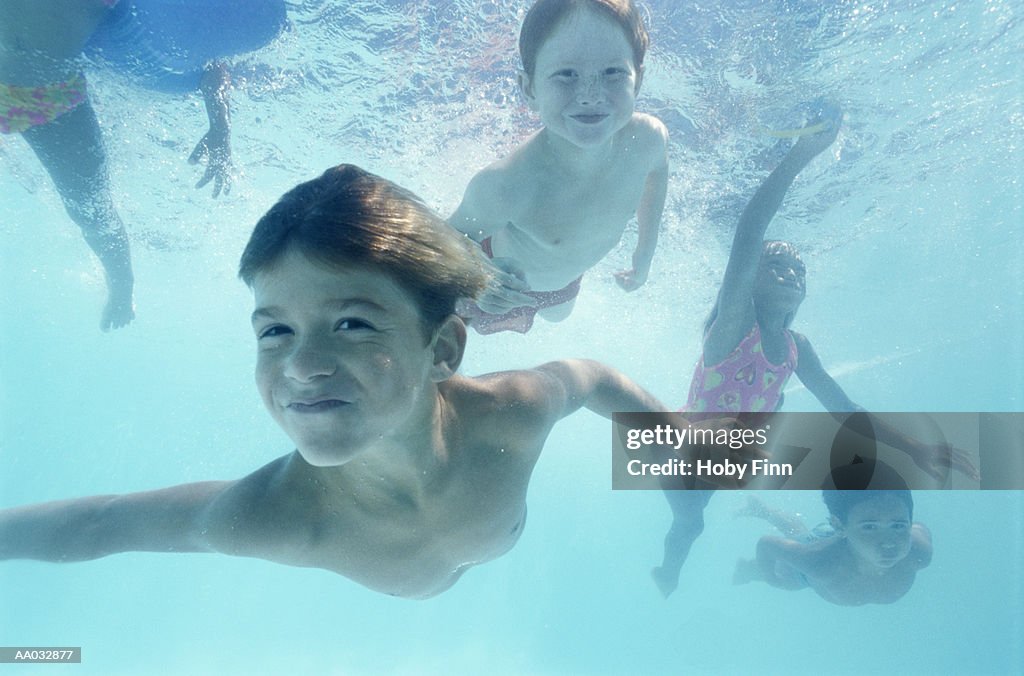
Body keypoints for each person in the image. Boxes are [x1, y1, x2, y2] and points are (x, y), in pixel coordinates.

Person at [0, 165, 731, 600]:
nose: (300, 366)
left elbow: (590, 376)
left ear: (443, 346)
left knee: (808, 465)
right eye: (273, 329)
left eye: (351, 323)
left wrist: (676, 435)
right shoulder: (273, 519)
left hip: (477, 541)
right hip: (444, 578)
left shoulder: (509, 415)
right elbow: (98, 524)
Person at [650, 106, 976, 599]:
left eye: (798, 271)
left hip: (735, 454)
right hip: (686, 453)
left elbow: (847, 411)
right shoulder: (733, 327)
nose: (790, 273)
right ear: (748, 283)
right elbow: (750, 229)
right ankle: (669, 569)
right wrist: (803, 152)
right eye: (776, 265)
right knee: (689, 525)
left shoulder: (796, 349)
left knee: (752, 469)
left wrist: (914, 448)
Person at [0, 0, 285, 330]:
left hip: (46, 97)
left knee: (91, 211)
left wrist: (220, 126)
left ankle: (122, 286)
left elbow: (206, 55)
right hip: (37, 83)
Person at [448, 0, 669, 334]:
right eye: (566, 75)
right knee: (456, 326)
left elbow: (657, 174)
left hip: (564, 286)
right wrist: (480, 278)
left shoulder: (649, 140)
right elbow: (447, 238)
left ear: (637, 81)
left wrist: (645, 251)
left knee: (557, 317)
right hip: (502, 285)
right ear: (529, 88)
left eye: (613, 73)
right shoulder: (507, 184)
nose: (591, 95)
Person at [733, 459, 932, 606]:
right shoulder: (819, 563)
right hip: (823, 550)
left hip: (847, 532)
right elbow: (767, 544)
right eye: (870, 527)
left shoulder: (919, 552)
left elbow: (920, 527)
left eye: (898, 526)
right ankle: (747, 567)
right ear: (838, 526)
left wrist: (885, 526)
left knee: (800, 534)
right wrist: (771, 579)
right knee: (790, 564)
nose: (889, 542)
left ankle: (762, 510)